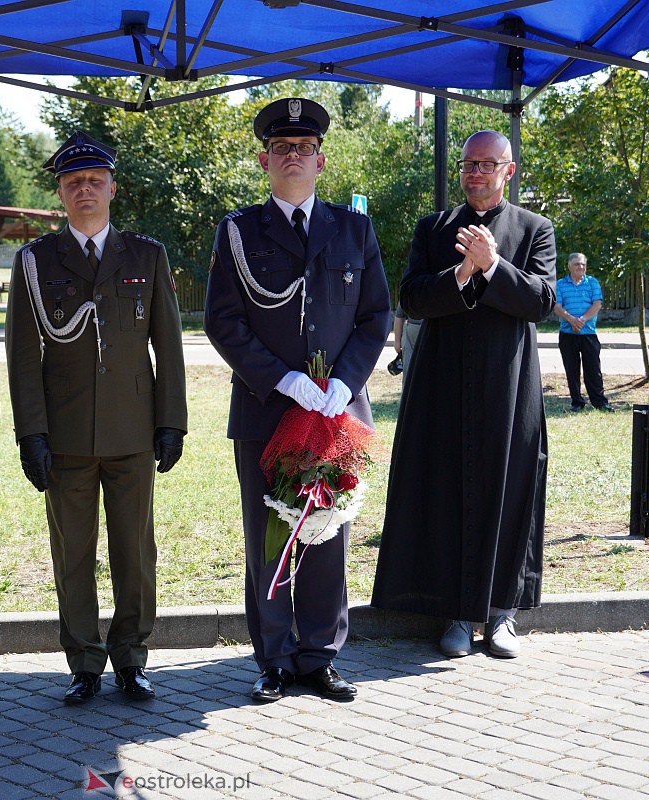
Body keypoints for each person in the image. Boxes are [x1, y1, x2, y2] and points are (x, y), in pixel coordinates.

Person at [204, 98, 391, 702]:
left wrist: (345, 381)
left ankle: (321, 655)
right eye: (282, 148)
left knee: (328, 534)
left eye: (304, 149)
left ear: (320, 160)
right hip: (267, 408)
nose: (293, 156)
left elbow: (375, 315)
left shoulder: (354, 229)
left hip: (336, 412)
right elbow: (224, 322)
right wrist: (282, 379)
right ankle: (276, 657)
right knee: (269, 538)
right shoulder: (238, 232)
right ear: (264, 160)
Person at [5, 131, 187, 705]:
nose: (84, 190)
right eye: (72, 182)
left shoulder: (146, 255)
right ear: (60, 194)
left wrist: (172, 421)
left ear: (113, 189)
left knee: (134, 549)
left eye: (94, 181)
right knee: (74, 553)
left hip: (133, 429)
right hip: (64, 435)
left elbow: (169, 345)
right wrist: (30, 432)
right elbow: (22, 356)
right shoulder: (36, 262)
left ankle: (132, 658)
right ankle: (84, 661)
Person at [372, 130, 557, 660]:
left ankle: (501, 614)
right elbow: (411, 297)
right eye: (468, 164)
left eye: (487, 164)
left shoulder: (533, 229)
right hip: (442, 382)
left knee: (508, 485)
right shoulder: (433, 229)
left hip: (508, 382)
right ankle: (453, 611)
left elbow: (541, 301)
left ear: (509, 170)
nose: (476, 172)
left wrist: (495, 265)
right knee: (447, 484)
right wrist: (463, 270)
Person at [553, 252, 614, 412]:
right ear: (569, 266)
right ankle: (577, 402)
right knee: (572, 370)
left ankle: (599, 402)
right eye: (577, 264)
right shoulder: (560, 284)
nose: (580, 267)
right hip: (567, 334)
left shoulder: (592, 282)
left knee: (593, 369)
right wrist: (572, 320)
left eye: (583, 264)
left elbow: (597, 304)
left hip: (588, 333)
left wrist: (582, 320)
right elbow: (557, 307)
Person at [389, 301, 423, 390]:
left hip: (432, 330)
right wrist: (397, 341)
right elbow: (399, 315)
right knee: (409, 373)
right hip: (411, 331)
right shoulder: (410, 288)